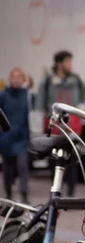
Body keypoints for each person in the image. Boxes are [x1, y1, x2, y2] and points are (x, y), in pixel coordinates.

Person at [37, 50, 85, 197]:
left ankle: (70, 194)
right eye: (68, 62)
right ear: (59, 64)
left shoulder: (76, 80)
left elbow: (83, 99)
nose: (70, 65)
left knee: (72, 160)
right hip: (55, 127)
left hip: (72, 126)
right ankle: (56, 191)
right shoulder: (47, 82)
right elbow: (40, 104)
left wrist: (80, 116)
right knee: (55, 161)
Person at [0, 67, 31, 203]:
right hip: (6, 137)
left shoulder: (28, 95)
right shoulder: (3, 95)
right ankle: (9, 195)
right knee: (7, 169)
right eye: (14, 77)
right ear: (10, 79)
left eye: (19, 77)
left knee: (23, 166)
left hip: (22, 138)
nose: (16, 79)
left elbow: (31, 114)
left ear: (23, 79)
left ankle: (24, 196)